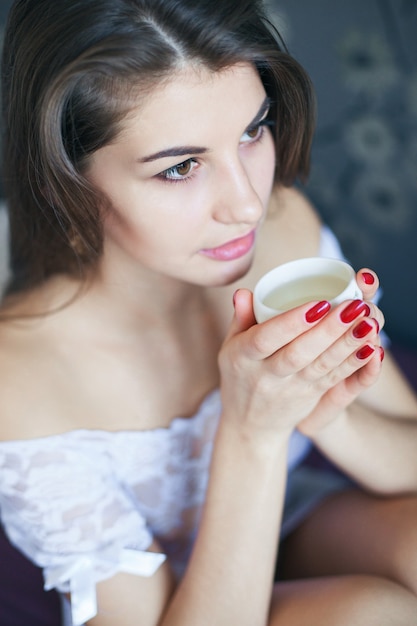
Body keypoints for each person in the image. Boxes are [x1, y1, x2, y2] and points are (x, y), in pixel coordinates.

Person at [0, 0, 416, 624]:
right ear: (65, 181)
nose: (248, 204)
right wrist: (254, 430)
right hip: (174, 602)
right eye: (182, 166)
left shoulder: (282, 234)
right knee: (373, 614)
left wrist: (319, 407)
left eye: (253, 131)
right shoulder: (23, 377)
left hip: (292, 515)